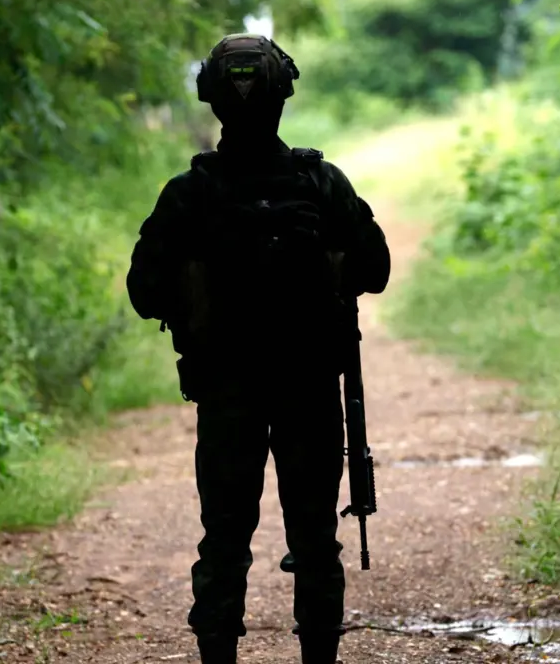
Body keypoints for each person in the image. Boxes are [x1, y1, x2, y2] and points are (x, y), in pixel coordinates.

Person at [126, 34, 391, 664]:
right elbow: (375, 270)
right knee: (316, 540)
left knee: (224, 539)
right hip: (309, 390)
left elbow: (143, 292)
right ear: (282, 95)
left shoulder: (188, 193)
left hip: (226, 392)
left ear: (212, 99)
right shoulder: (321, 182)